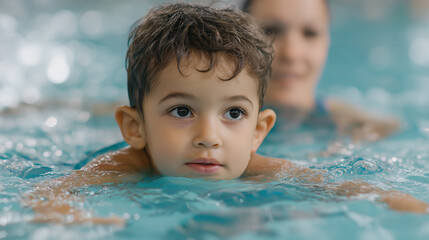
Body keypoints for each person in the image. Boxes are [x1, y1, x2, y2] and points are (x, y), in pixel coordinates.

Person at [24, 3, 428, 225]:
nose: (208, 136)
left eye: (233, 113)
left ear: (259, 130)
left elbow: (335, 186)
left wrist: (396, 200)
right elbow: (48, 193)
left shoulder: (258, 167)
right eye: (182, 110)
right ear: (135, 127)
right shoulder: (126, 164)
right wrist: (68, 218)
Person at [241, 0, 400, 142]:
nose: (292, 53)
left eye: (310, 33)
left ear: (327, 41)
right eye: (270, 31)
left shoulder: (363, 128)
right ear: (241, 40)